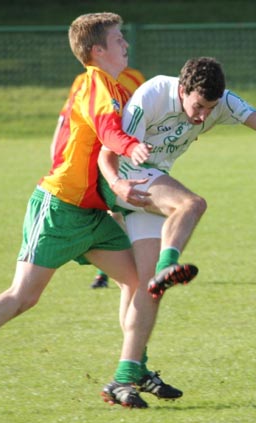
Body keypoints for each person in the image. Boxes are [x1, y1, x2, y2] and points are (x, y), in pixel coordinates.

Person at [0, 12, 176, 411]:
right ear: (97, 50)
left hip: (92, 215)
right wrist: (129, 147)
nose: (125, 43)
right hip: (59, 209)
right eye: (118, 38)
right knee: (23, 296)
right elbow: (108, 130)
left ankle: (134, 368)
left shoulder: (115, 84)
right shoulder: (94, 84)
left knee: (139, 282)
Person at [98, 56, 256, 398]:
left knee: (148, 288)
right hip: (127, 179)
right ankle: (166, 267)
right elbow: (108, 149)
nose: (203, 116)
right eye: (198, 106)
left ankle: (124, 377)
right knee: (192, 204)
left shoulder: (222, 101)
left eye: (210, 108)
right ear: (182, 89)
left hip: (152, 184)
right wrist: (115, 183)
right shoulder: (153, 93)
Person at [49, 67, 146, 289]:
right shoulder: (84, 81)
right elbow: (65, 118)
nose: (124, 46)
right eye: (117, 40)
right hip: (92, 160)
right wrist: (55, 151)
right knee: (111, 215)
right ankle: (112, 272)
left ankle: (115, 272)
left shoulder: (134, 78)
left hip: (121, 156)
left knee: (119, 215)